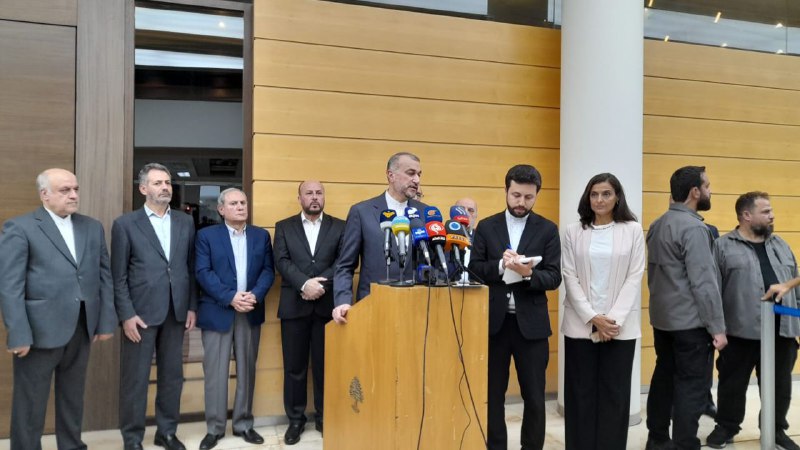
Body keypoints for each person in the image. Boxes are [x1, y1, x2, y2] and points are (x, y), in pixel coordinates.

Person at [0, 168, 116, 450]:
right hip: (38, 331)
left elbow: (104, 276)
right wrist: (18, 333)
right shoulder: (20, 227)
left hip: (81, 326)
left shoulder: (92, 227)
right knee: (30, 402)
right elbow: (10, 286)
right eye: (65, 190)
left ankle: (72, 445)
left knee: (73, 397)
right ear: (45, 195)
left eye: (75, 189)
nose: (73, 195)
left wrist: (105, 322)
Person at [468, 164, 562, 450]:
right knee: (492, 395)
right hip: (494, 325)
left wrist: (528, 273)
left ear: (537, 195)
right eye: (516, 195)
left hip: (532, 327)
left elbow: (554, 277)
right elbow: (474, 269)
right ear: (506, 191)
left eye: (528, 197)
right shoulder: (487, 226)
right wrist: (501, 265)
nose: (521, 202)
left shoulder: (548, 229)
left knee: (534, 397)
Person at [705, 192, 800, 450]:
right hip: (739, 333)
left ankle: (775, 429)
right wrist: (716, 328)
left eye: (771, 210)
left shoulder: (781, 245)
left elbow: (796, 286)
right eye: (766, 211)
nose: (772, 216)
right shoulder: (722, 247)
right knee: (732, 384)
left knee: (780, 386)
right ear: (746, 215)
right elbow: (712, 290)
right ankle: (726, 427)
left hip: (782, 331)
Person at [112, 163, 197, 450]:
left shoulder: (185, 222)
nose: (165, 187)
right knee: (135, 380)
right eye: (158, 183)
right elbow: (118, 276)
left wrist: (191, 306)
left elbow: (189, 268)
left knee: (172, 377)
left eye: (168, 182)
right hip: (140, 315)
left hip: (176, 311)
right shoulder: (125, 224)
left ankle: (167, 433)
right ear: (143, 188)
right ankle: (132, 438)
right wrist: (126, 315)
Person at [645, 165, 727, 450]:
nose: (710, 191)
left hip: (662, 322)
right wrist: (717, 328)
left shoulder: (657, 224)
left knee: (663, 379)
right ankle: (685, 444)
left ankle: (657, 439)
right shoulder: (695, 229)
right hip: (691, 325)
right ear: (695, 192)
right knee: (691, 387)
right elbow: (704, 283)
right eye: (707, 186)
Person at [561, 173, 644, 450]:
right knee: (580, 395)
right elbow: (569, 276)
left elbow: (635, 276)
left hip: (619, 328)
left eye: (606, 194)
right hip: (580, 324)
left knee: (614, 396)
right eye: (594, 194)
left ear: (617, 197)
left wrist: (610, 321)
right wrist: (593, 317)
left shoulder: (633, 230)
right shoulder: (573, 231)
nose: (599, 199)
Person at [195, 188, 275, 450]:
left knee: (247, 371)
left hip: (249, 311)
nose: (240, 207)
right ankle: (215, 428)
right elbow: (203, 272)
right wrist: (230, 297)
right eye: (233, 203)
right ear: (221, 210)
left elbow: (268, 271)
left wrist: (254, 296)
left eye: (243, 202)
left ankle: (243, 424)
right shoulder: (206, 236)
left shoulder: (261, 236)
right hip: (218, 311)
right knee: (215, 373)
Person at [274, 180, 345, 444]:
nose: (314, 197)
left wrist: (320, 286)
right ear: (299, 198)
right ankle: (295, 420)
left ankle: (325, 417)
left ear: (324, 196)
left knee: (326, 367)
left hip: (328, 309)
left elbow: (344, 261)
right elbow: (281, 260)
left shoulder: (340, 226)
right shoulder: (284, 226)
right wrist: (305, 284)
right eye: (309, 193)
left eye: (319, 193)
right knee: (294, 368)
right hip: (294, 306)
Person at [332, 152, 426, 324]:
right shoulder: (362, 212)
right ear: (391, 175)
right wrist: (342, 301)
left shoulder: (425, 212)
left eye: (419, 174)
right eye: (411, 173)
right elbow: (345, 265)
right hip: (373, 308)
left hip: (416, 310)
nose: (417, 180)